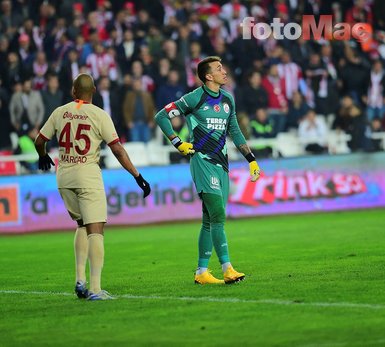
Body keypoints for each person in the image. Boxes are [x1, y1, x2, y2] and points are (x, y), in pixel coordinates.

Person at [34, 73, 151, 300]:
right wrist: (137, 176)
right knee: (96, 230)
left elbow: (40, 140)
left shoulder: (60, 112)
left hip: (64, 176)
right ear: (94, 91)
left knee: (80, 224)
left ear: (73, 91)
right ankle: (95, 289)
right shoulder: (99, 115)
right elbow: (117, 149)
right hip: (87, 175)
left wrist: (43, 155)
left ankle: (80, 280)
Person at [155, 56, 261, 285]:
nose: (224, 71)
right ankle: (227, 268)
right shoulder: (194, 97)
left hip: (222, 164)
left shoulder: (227, 99)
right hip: (202, 161)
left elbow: (235, 130)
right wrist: (177, 143)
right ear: (208, 76)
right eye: (219, 68)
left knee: (208, 220)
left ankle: (202, 272)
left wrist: (251, 159)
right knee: (219, 216)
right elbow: (161, 116)